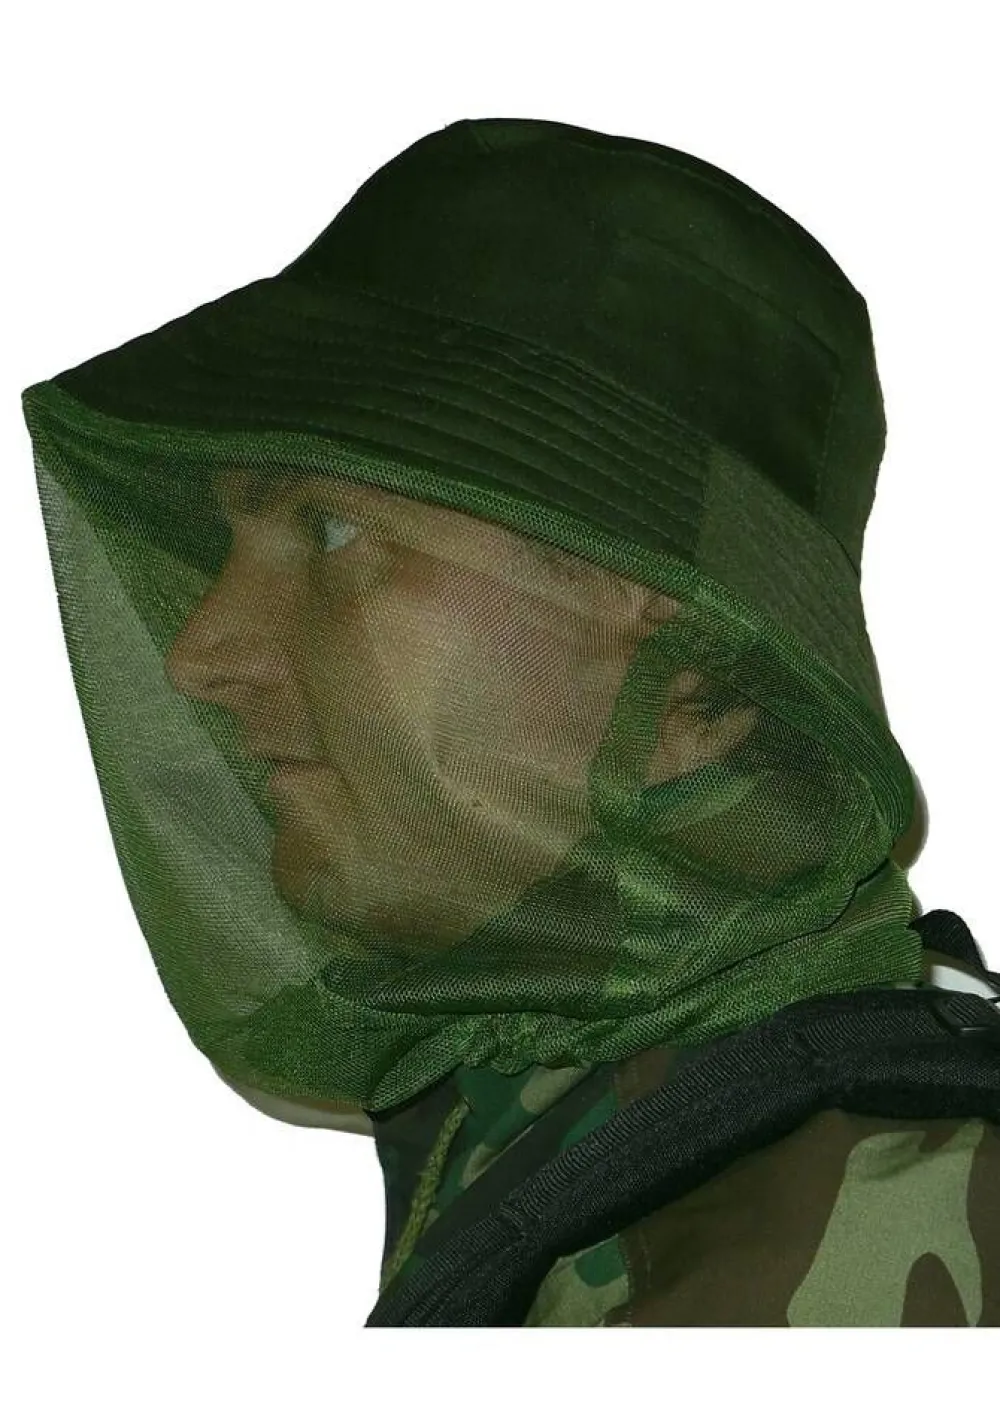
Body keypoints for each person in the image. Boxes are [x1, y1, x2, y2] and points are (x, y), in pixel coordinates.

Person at [23, 115, 1000, 1325]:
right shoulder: (608, 1141)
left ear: (688, 671)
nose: (198, 653)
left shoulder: (830, 1254)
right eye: (229, 545)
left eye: (334, 530)